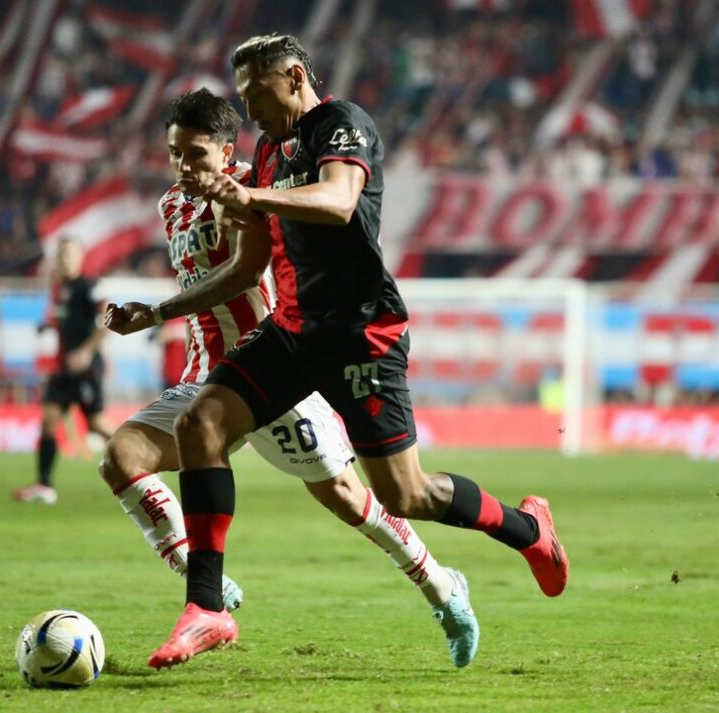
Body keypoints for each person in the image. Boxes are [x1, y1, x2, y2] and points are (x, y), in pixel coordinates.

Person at [130, 35, 569, 669]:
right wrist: (162, 312)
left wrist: (248, 196)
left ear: (294, 77)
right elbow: (247, 266)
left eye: (255, 93)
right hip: (292, 332)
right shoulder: (268, 149)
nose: (249, 110)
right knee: (203, 421)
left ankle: (529, 530)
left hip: (363, 334)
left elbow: (338, 203)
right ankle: (206, 608)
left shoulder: (340, 125)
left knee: (405, 495)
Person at [102, 88, 478, 668]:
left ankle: (444, 589)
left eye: (196, 154)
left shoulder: (265, 187)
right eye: (175, 153)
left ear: (229, 154)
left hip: (273, 372)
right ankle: (207, 588)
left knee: (353, 501)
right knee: (120, 458)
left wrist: (161, 309)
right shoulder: (172, 206)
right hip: (206, 380)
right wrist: (153, 314)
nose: (183, 166)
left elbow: (249, 271)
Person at [13, 238, 115, 504]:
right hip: (63, 369)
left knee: (96, 424)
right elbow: (62, 320)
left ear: (80, 258)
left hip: (86, 369)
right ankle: (44, 486)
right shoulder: (60, 289)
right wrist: (47, 326)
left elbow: (109, 319)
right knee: (48, 420)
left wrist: (86, 351)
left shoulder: (90, 286)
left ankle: (145, 460)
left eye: (69, 255)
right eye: (60, 256)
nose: (64, 261)